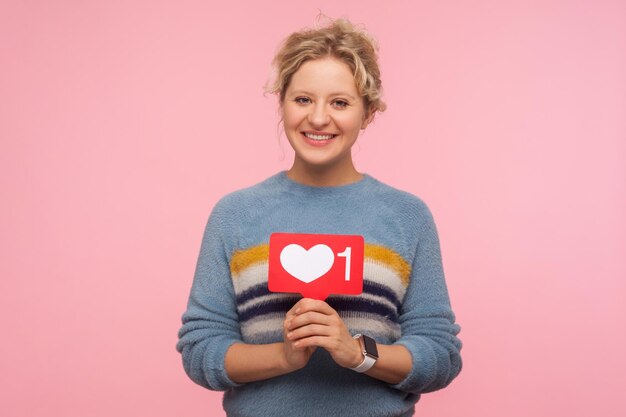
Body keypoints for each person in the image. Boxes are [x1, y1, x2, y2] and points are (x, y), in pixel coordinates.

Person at [176, 17, 462, 417]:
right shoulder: (235, 215)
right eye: (303, 99)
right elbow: (200, 349)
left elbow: (440, 355)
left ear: (368, 114)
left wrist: (355, 352)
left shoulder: (407, 216)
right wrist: (284, 356)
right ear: (282, 103)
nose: (318, 118)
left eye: (340, 102)